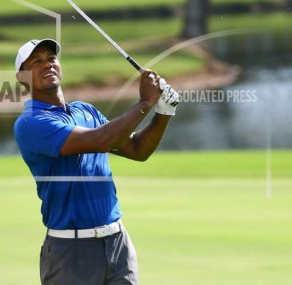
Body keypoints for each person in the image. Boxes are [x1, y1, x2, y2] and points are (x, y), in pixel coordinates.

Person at [13, 39, 179, 285]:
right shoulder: (30, 123)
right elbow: (100, 140)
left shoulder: (86, 111)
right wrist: (145, 103)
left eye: (51, 58)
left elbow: (137, 150)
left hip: (117, 242)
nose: (47, 64)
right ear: (21, 77)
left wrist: (163, 111)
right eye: (36, 62)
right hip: (70, 251)